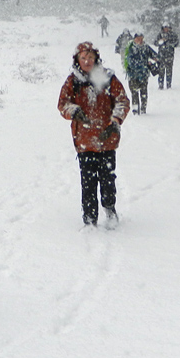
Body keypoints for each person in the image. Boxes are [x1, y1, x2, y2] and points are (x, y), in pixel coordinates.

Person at [58, 42, 130, 227]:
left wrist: (115, 122)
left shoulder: (108, 78)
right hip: (84, 142)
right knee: (88, 183)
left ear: (96, 58)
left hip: (107, 140)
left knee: (108, 181)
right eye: (83, 58)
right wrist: (73, 111)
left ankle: (110, 210)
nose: (87, 61)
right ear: (77, 60)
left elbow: (122, 101)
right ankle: (89, 219)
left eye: (90, 57)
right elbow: (62, 103)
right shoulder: (72, 81)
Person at [125, 33, 159, 114]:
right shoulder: (131, 48)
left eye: (141, 39)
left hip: (144, 75)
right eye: (138, 39)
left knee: (144, 92)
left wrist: (156, 59)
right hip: (133, 75)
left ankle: (143, 109)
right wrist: (145, 63)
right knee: (134, 93)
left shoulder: (145, 47)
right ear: (134, 39)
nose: (140, 41)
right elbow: (131, 62)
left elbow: (154, 55)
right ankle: (135, 110)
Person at [155, 23, 180, 89]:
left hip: (170, 55)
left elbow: (176, 43)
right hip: (161, 55)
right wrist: (161, 41)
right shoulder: (160, 35)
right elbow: (155, 42)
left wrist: (169, 44)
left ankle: (169, 85)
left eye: (167, 28)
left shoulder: (173, 35)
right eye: (164, 28)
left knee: (169, 71)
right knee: (161, 71)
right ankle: (161, 85)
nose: (166, 29)